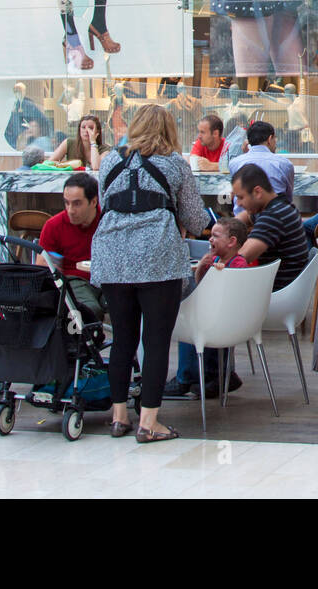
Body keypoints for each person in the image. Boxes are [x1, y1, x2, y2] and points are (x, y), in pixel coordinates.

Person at [92, 104, 207, 443]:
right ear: (169, 129)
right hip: (157, 255)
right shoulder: (174, 164)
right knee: (155, 341)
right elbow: (196, 219)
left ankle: (118, 417)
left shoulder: (110, 160)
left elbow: (104, 203)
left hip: (113, 255)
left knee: (122, 340)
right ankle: (149, 422)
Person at [167, 216, 253, 399]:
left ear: (232, 242)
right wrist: (200, 269)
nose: (210, 239)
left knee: (191, 322)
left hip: (229, 319)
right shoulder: (213, 259)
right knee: (194, 314)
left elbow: (235, 290)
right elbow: (201, 288)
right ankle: (215, 375)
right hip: (217, 315)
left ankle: (187, 377)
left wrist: (221, 273)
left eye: (215, 236)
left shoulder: (237, 263)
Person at [230, 163, 311, 291]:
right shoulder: (278, 205)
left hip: (277, 294)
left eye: (240, 197)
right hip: (282, 288)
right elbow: (243, 217)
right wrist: (225, 230)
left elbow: (240, 258)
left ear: (257, 192)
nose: (238, 203)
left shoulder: (275, 215)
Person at [37, 172, 106, 321]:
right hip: (75, 280)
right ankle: (83, 342)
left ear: (94, 202)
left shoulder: (107, 221)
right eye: (66, 203)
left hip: (109, 278)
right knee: (86, 310)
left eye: (77, 203)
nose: (70, 210)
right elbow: (44, 269)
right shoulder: (54, 225)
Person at [229, 121, 295, 215]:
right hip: (276, 218)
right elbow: (288, 197)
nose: (275, 143)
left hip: (243, 222)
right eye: (275, 139)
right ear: (270, 139)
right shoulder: (284, 164)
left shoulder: (234, 163)